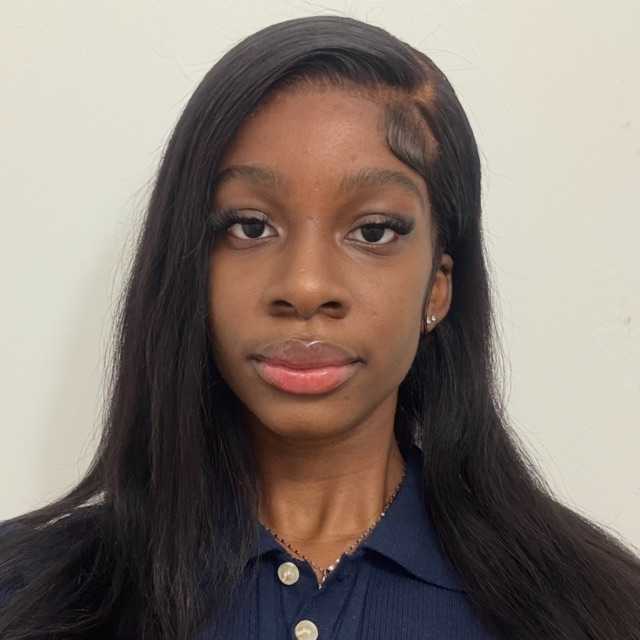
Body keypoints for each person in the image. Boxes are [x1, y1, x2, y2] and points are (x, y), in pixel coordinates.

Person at [1, 14, 639, 640]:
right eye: (250, 227)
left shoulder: (599, 611)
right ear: (189, 265)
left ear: (438, 287)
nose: (306, 286)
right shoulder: (24, 597)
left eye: (373, 232)